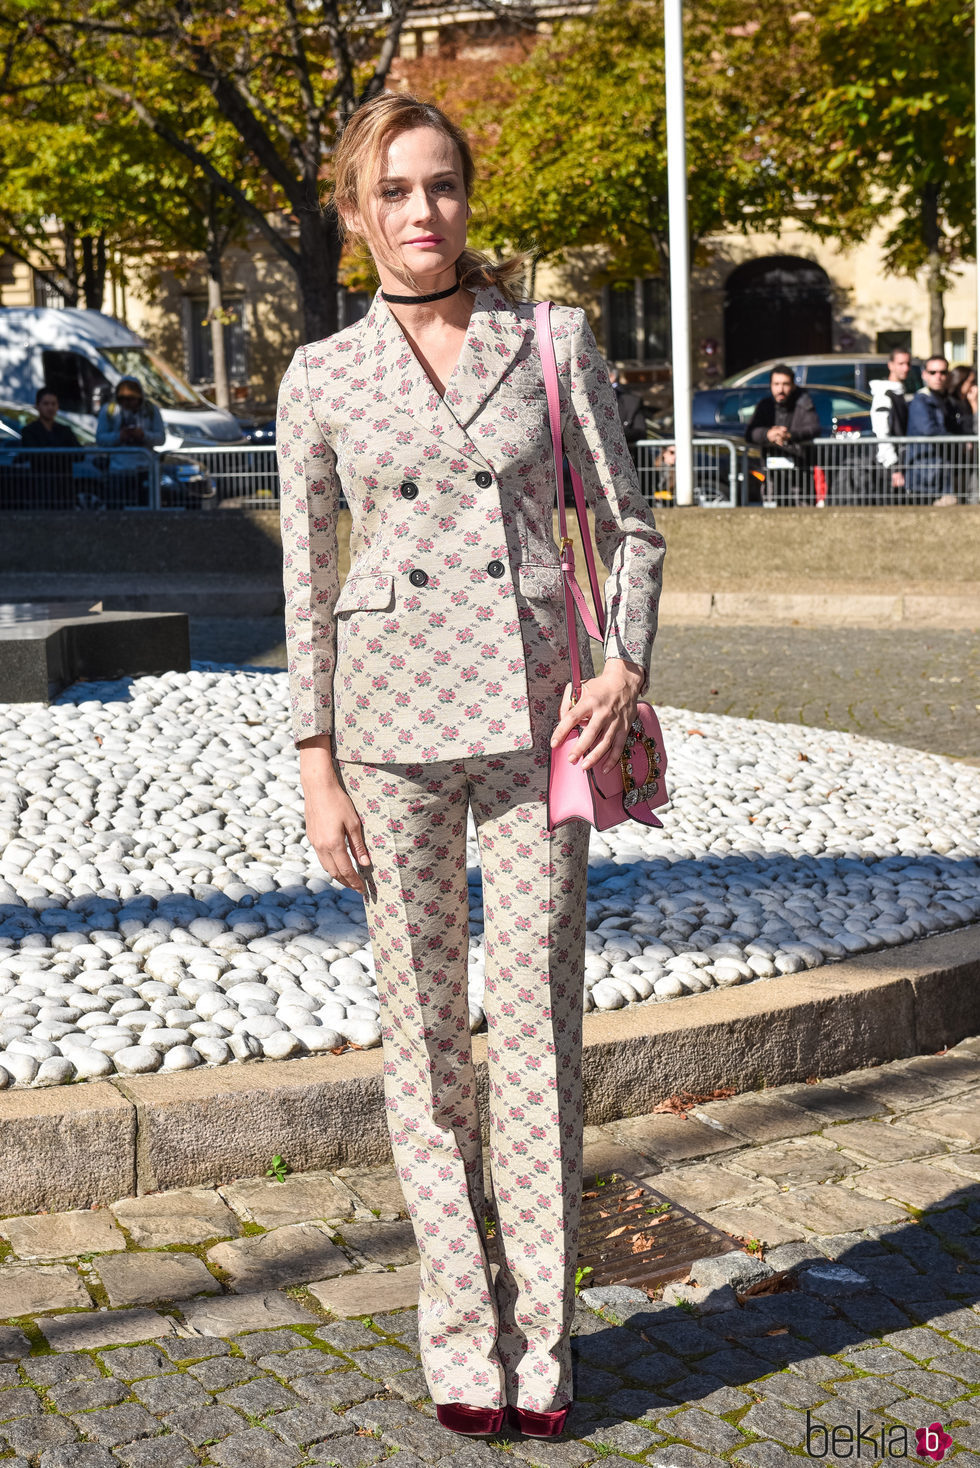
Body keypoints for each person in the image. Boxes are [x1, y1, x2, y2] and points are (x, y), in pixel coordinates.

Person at [277, 92, 665, 1439]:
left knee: (539, 1031)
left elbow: (631, 532)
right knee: (426, 1047)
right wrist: (316, 762)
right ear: (355, 212)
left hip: (538, 727)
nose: (422, 213)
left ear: (468, 197)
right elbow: (304, 588)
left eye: (441, 186)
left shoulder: (550, 344)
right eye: (393, 192)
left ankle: (545, 1350)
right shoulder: (319, 377)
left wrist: (621, 663)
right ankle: (460, 1338)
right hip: (388, 742)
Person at [744, 364, 819, 504]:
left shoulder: (804, 403)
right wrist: (768, 434)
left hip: (799, 474)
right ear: (771, 385)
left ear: (793, 385)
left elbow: (813, 428)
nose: (780, 389)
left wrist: (789, 435)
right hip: (772, 475)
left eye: (785, 384)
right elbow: (750, 433)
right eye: (776, 384)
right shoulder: (765, 405)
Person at [95, 376, 166, 506]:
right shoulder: (109, 410)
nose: (128, 403)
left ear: (139, 397)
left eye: (132, 399)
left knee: (145, 510)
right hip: (118, 471)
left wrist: (143, 435)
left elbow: (161, 438)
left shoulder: (151, 410)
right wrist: (119, 436)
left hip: (145, 470)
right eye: (124, 399)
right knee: (118, 510)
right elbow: (100, 438)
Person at [906, 357, 959, 506]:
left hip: (942, 469)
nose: (938, 376)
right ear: (924, 374)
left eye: (942, 372)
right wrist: (955, 439)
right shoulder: (920, 400)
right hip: (925, 472)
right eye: (933, 372)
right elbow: (929, 429)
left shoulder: (948, 400)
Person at [18, 388, 80, 509]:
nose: (50, 408)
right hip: (41, 489)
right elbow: (36, 456)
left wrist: (51, 454)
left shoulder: (65, 430)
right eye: (46, 404)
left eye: (53, 404)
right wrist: (63, 455)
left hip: (64, 489)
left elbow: (79, 454)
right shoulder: (29, 430)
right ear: (37, 406)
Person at [870, 348, 911, 494]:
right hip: (889, 465)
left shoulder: (899, 392)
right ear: (890, 365)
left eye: (908, 363)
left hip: (899, 461)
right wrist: (894, 467)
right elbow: (881, 431)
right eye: (900, 363)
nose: (905, 368)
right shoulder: (884, 394)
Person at [607, 363, 648, 462]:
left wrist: (615, 434)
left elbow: (640, 431)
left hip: (624, 460)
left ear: (611, 377)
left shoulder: (630, 401)